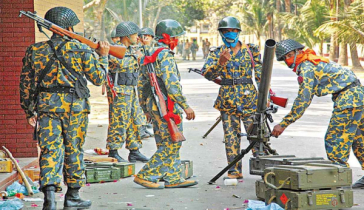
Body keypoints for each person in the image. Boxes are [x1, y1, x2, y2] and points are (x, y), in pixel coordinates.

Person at [19, 7, 110, 210]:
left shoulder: (35, 50)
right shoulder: (81, 49)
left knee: (50, 151)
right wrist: (103, 56)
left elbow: (26, 84)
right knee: (74, 151)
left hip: (46, 108)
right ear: (69, 26)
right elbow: (98, 79)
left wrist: (28, 110)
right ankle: (72, 197)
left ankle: (49, 200)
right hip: (75, 108)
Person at [272, 39, 364, 189]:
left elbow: (303, 99)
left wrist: (284, 123)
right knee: (358, 138)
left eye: (289, 56)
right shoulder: (311, 60)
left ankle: (339, 183)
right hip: (358, 95)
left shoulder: (307, 67)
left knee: (335, 140)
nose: (288, 61)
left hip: (349, 98)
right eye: (285, 59)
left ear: (298, 52)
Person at [134, 19, 198, 189]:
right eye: (176, 37)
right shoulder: (165, 55)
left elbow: (141, 85)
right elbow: (172, 85)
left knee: (166, 142)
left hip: (153, 106)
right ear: (168, 37)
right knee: (172, 143)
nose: (177, 41)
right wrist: (185, 106)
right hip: (166, 107)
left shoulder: (148, 54)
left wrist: (144, 108)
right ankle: (145, 175)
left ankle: (173, 177)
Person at [201, 16, 263, 179]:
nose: (229, 34)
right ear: (221, 34)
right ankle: (234, 170)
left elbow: (260, 75)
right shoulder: (216, 53)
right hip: (227, 100)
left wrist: (266, 95)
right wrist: (220, 63)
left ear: (238, 32)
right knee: (231, 137)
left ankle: (263, 166)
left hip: (249, 99)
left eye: (233, 31)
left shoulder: (251, 50)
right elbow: (207, 74)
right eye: (225, 31)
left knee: (256, 134)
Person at [106, 21, 149, 163]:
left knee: (134, 121)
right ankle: (113, 151)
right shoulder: (115, 50)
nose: (137, 37)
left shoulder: (131, 50)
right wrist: (136, 57)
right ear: (126, 36)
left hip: (131, 90)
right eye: (135, 34)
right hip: (119, 91)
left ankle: (134, 150)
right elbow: (120, 64)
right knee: (119, 121)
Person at [137, 27, 155, 139]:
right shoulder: (137, 50)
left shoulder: (154, 50)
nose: (146, 38)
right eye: (144, 36)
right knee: (140, 106)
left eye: (148, 36)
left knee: (151, 105)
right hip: (139, 82)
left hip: (149, 82)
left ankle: (148, 127)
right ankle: (141, 129)